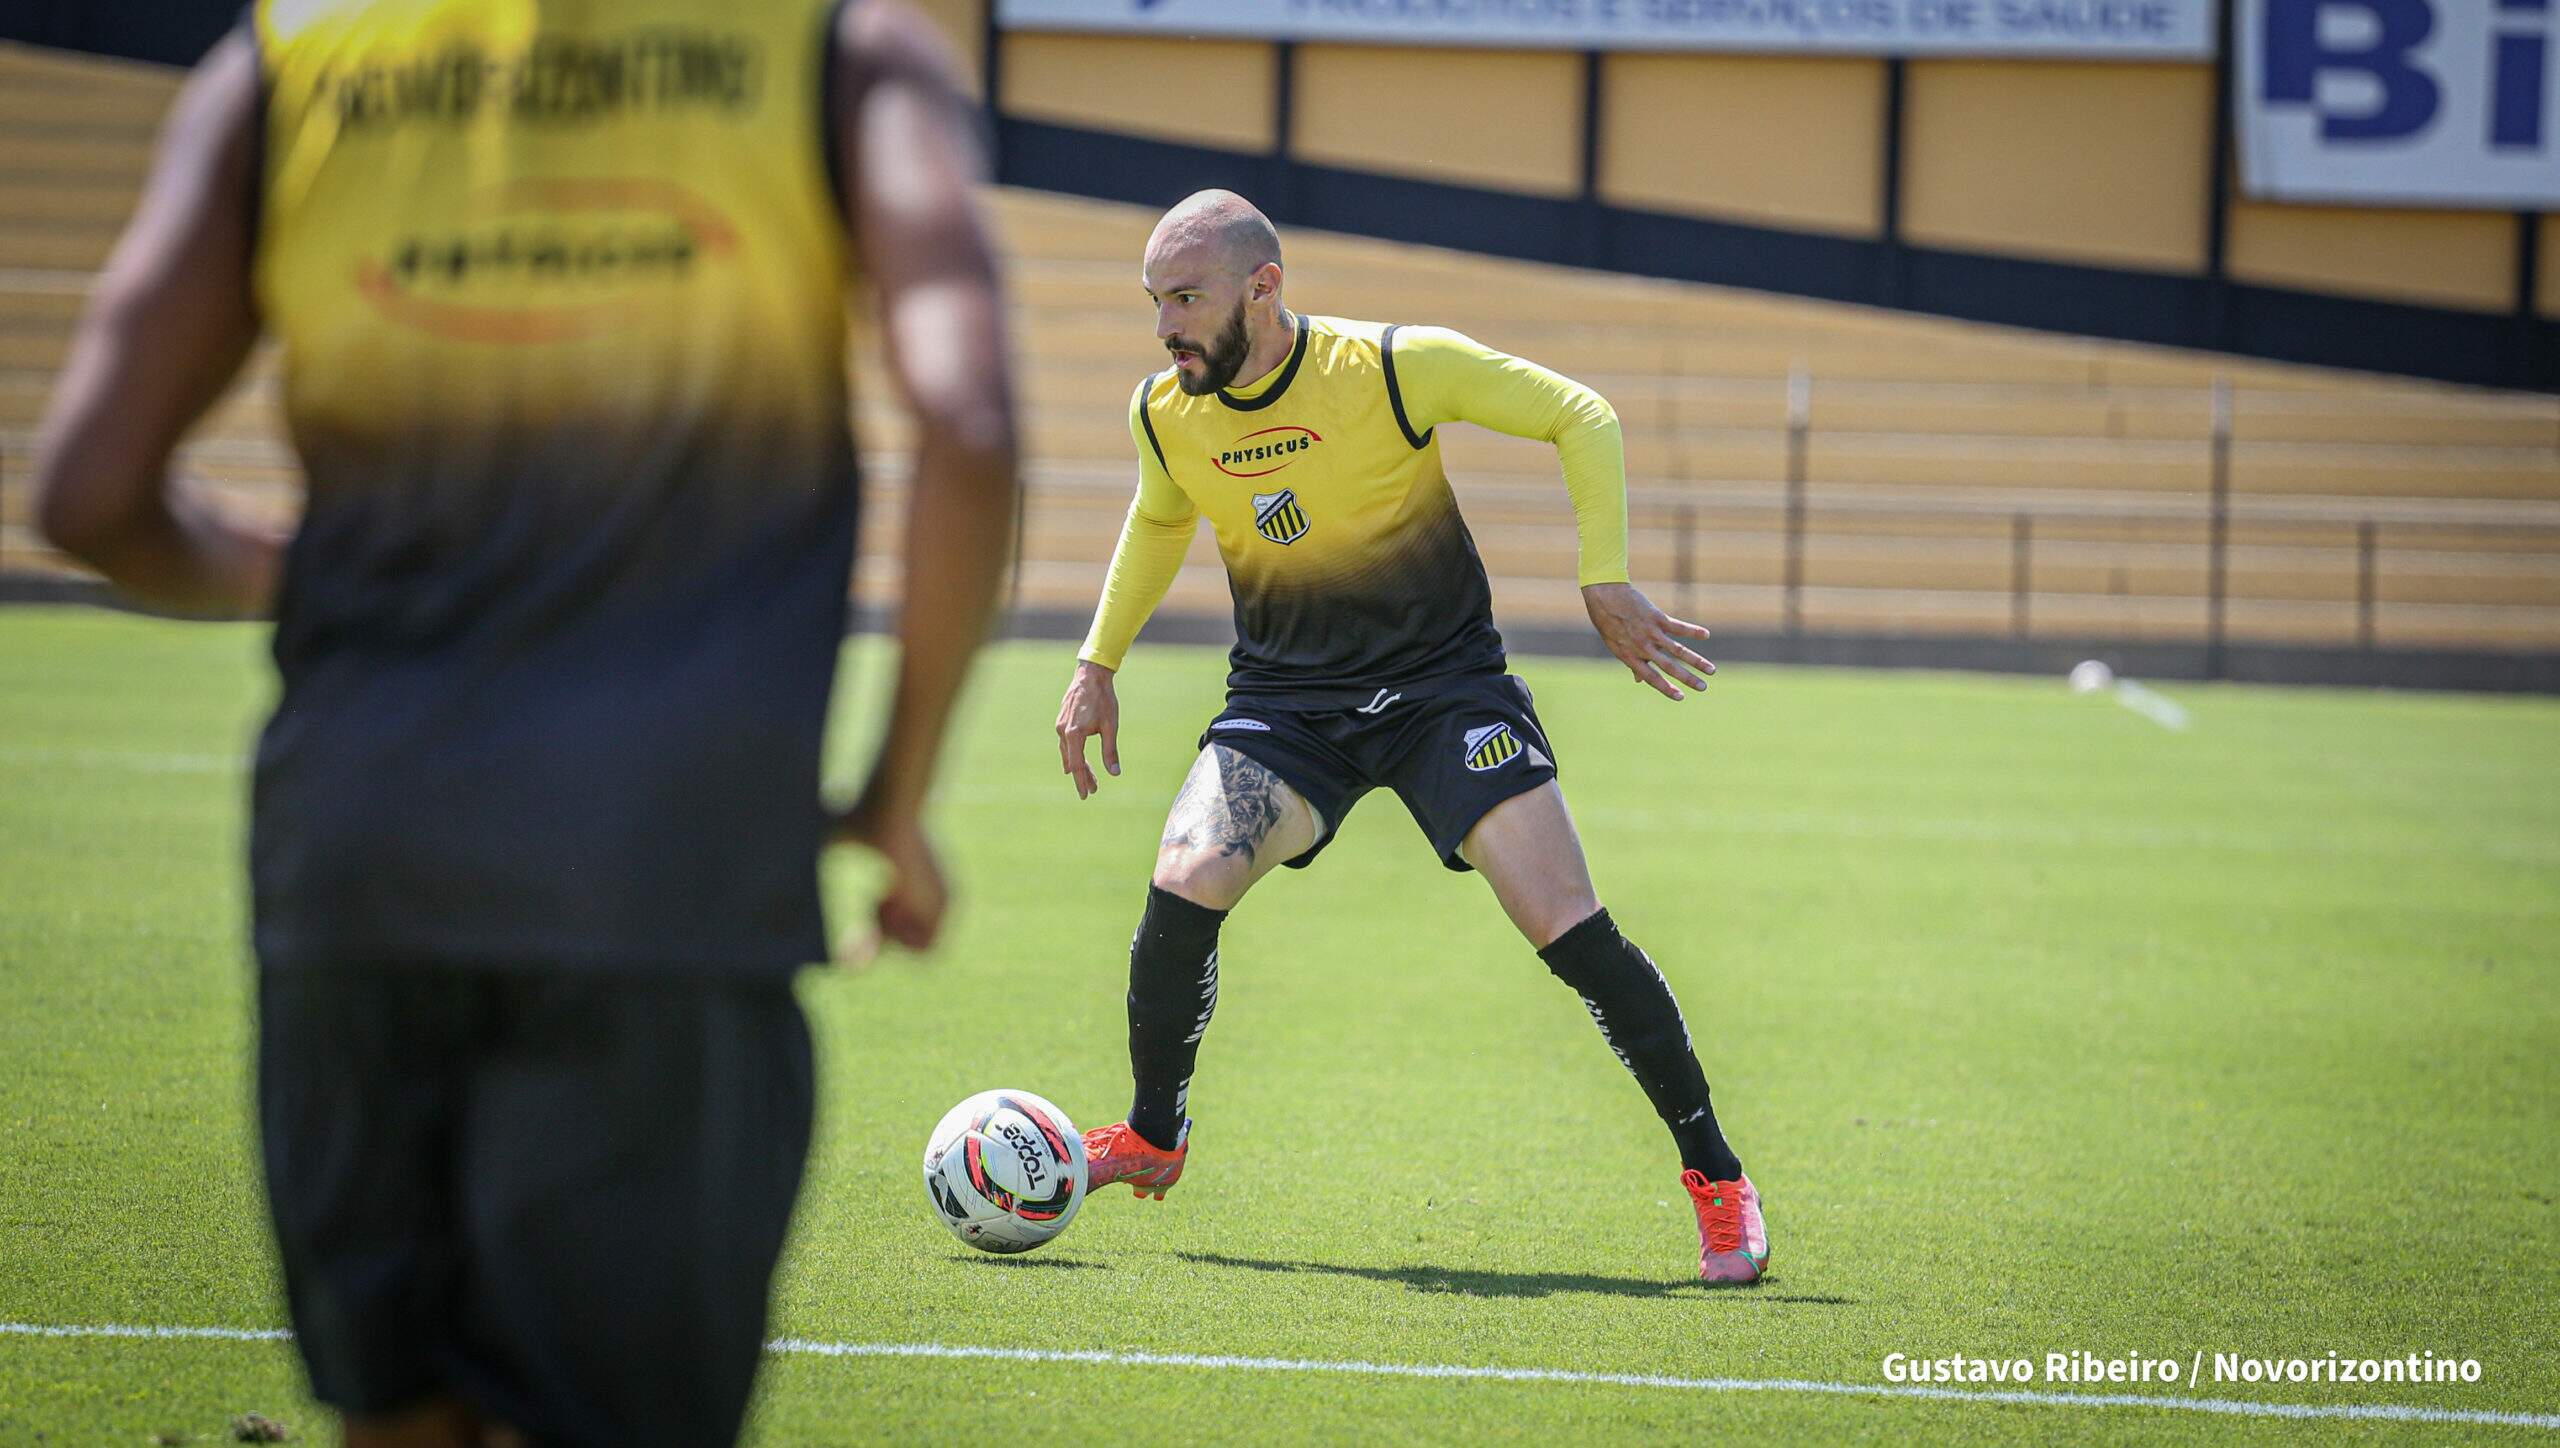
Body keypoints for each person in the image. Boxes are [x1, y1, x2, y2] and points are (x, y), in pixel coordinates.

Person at [33, 0, 1017, 1441]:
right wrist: (891, 792)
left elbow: (88, 499)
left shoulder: (285, 61)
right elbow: (970, 427)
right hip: (662, 876)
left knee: (401, 1416)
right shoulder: (838, 53)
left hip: (357, 859)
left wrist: (328, 574)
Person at [1052, 190, 1767, 1286]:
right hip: (1289, 705)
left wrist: (1603, 574)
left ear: (1263, 287)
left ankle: (1716, 1177)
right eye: (1155, 302)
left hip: (1445, 693)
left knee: (1565, 923)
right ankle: (1154, 1131)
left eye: (1184, 298)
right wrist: (1097, 664)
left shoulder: (1393, 366)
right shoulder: (1166, 413)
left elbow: (1583, 413)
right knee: (1184, 872)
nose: (1165, 327)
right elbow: (1159, 516)